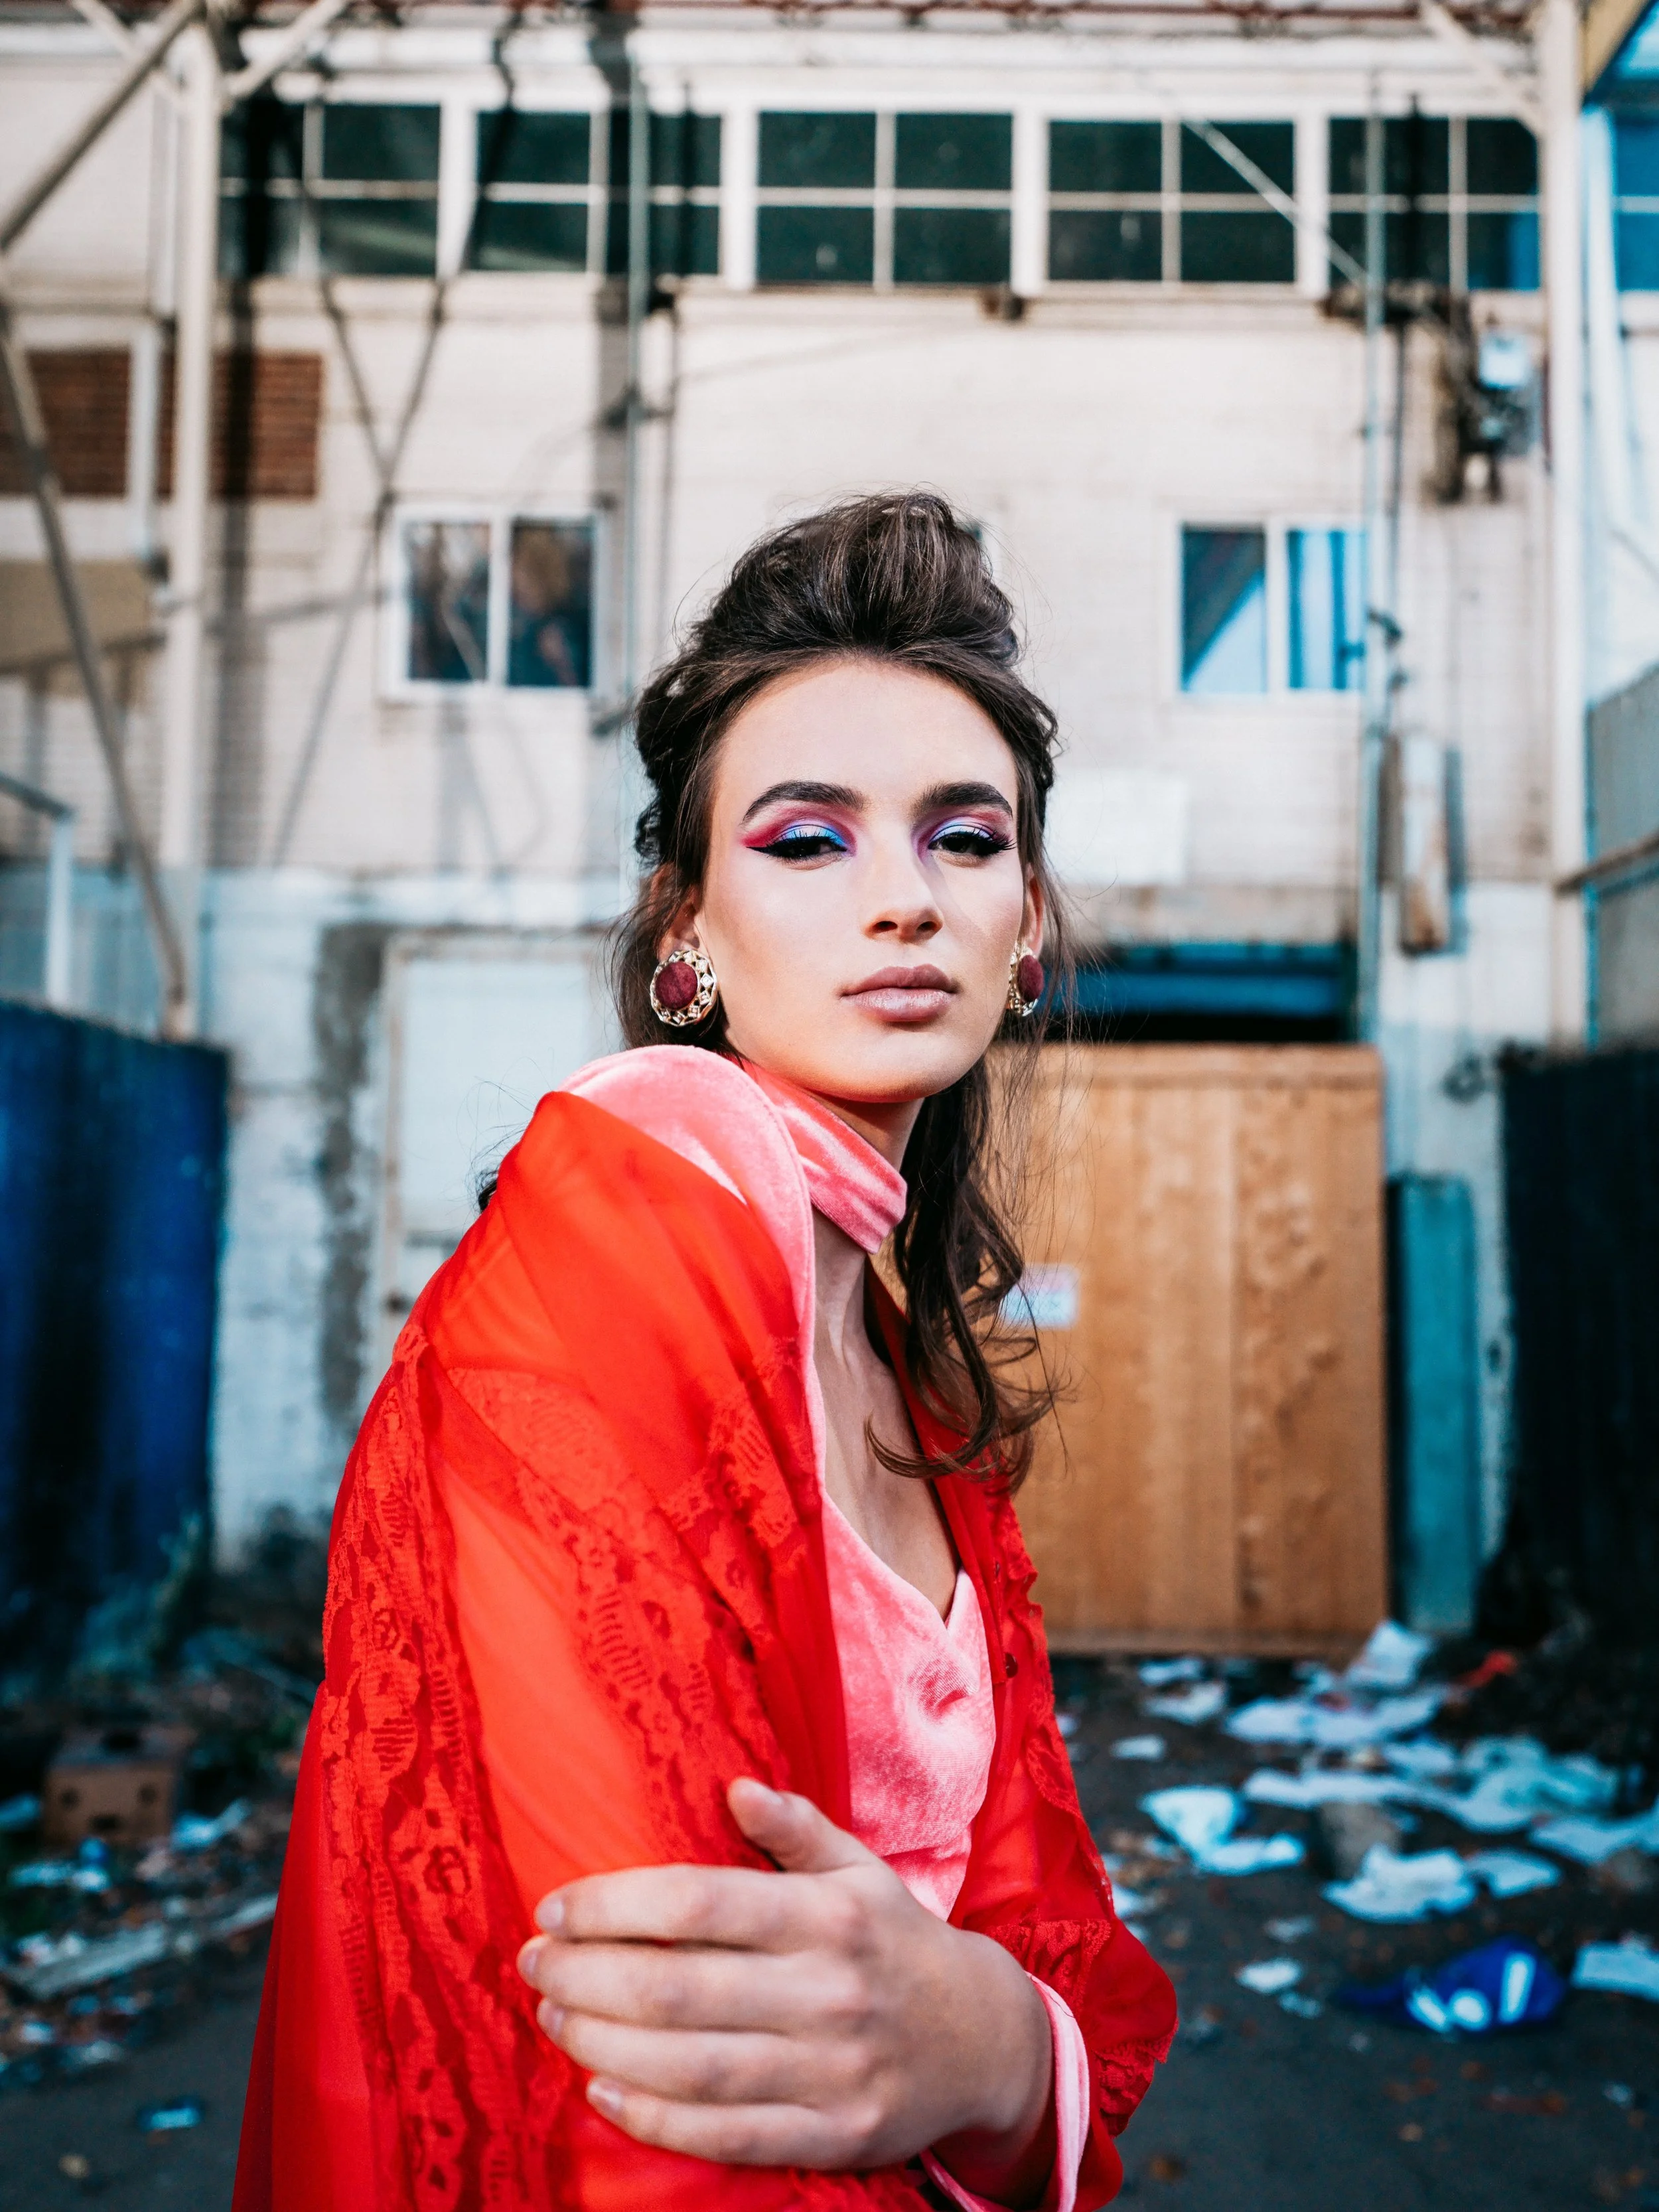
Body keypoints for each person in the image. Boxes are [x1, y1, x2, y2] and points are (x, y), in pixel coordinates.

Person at [234, 492, 1176, 2212]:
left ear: (1027, 925)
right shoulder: (629, 1216)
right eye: (806, 841)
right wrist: (972, 2043)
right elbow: (659, 2064)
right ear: (685, 935)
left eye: (965, 840)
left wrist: (987, 2046)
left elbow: (1040, 1944)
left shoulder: (908, 1356)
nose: (904, 899)